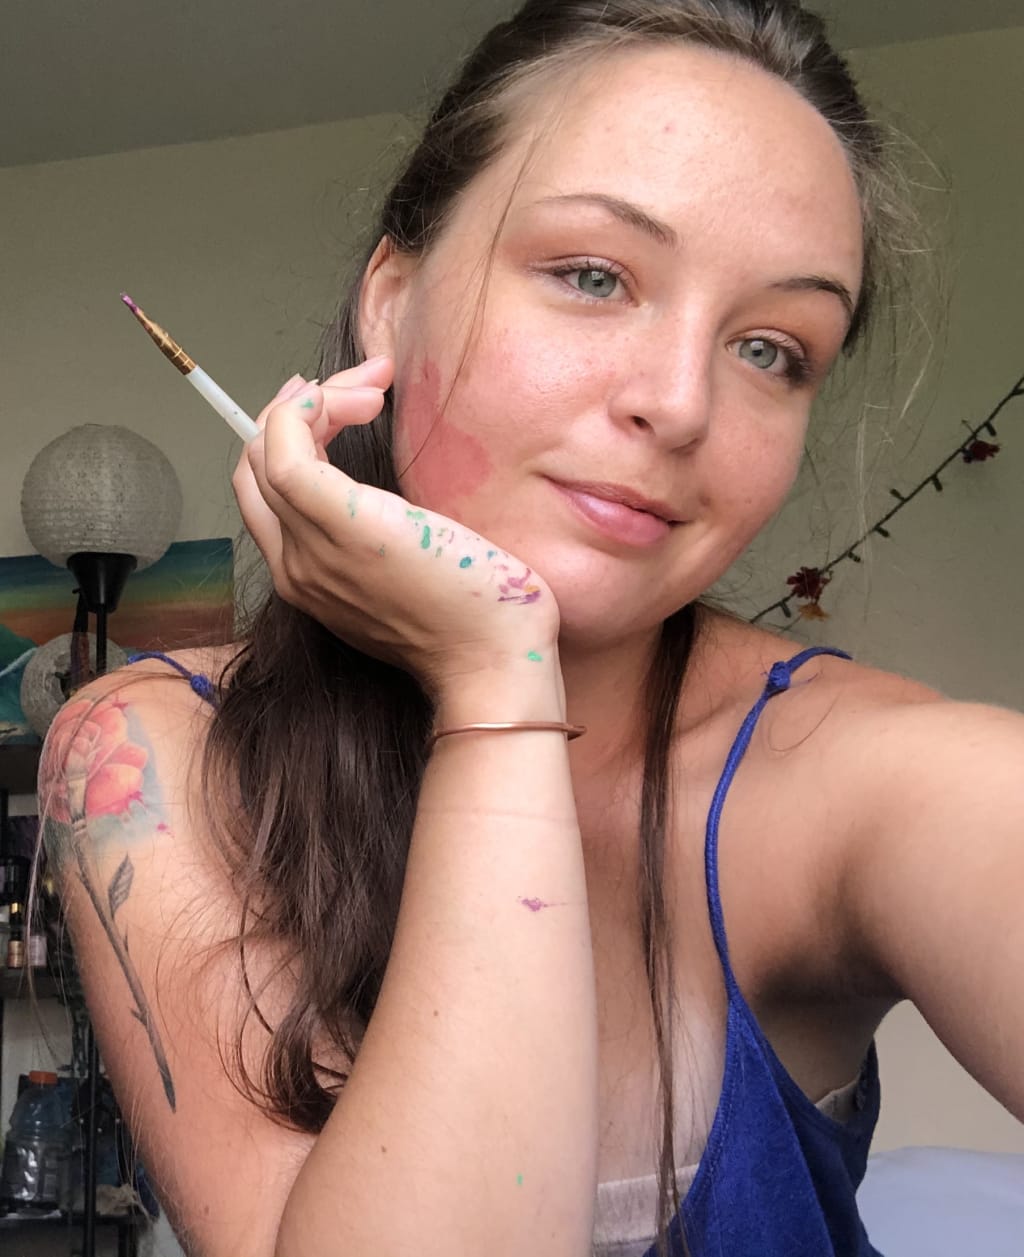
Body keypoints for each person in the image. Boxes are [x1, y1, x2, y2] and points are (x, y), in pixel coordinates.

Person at [36, 2, 1024, 1255]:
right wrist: (494, 684)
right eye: (594, 276)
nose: (680, 403)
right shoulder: (154, 751)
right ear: (391, 302)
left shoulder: (868, 774)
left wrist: (490, 676)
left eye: (771, 348)